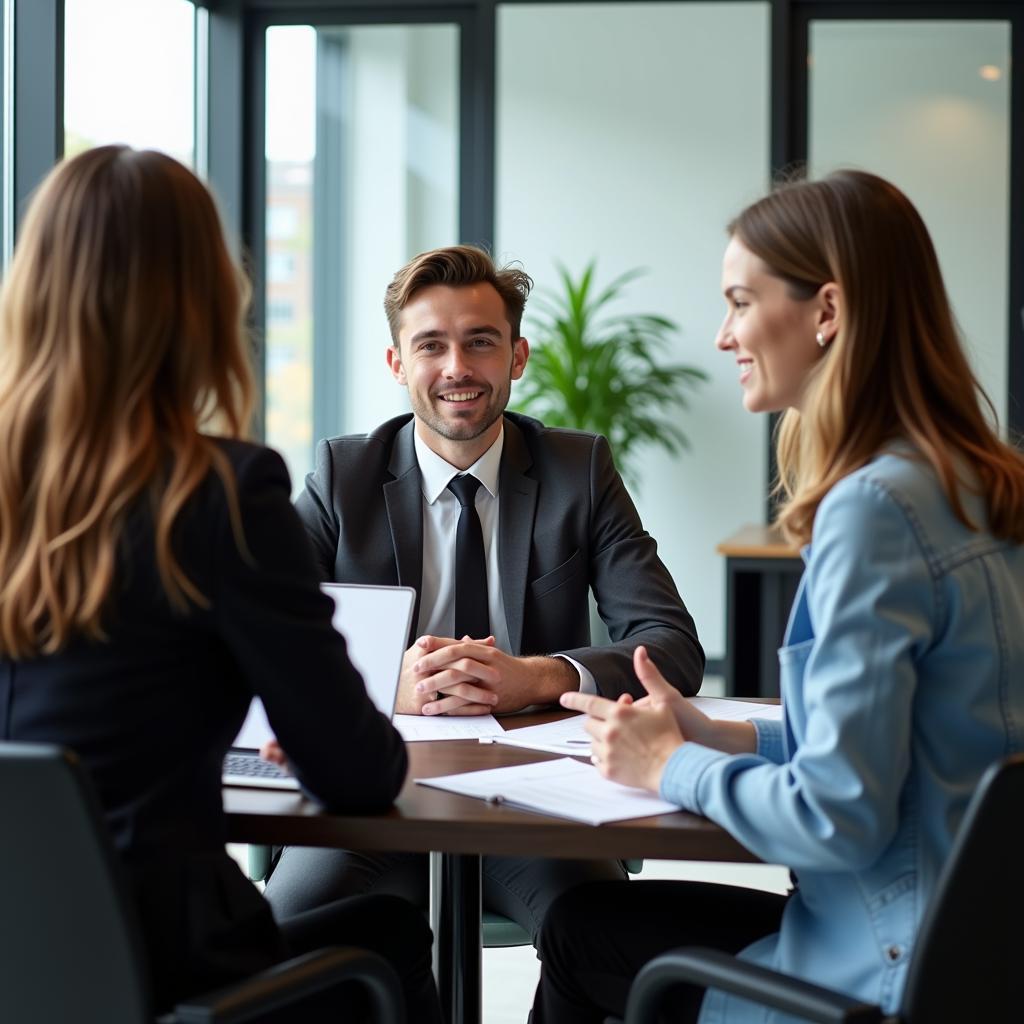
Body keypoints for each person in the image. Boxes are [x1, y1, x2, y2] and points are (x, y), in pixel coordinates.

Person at [530, 169, 1024, 1023]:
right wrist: (722, 731)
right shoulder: (978, 484)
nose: (723, 335)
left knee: (580, 934)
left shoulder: (874, 511)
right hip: (974, 951)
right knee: (587, 917)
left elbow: (839, 817)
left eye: (739, 301)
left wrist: (669, 766)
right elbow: (916, 735)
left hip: (874, 969)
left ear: (826, 312)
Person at [0, 146, 442, 1022]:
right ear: (200, 304)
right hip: (160, 971)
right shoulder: (219, 493)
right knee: (388, 934)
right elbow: (359, 771)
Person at [263, 244, 705, 940]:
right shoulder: (341, 475)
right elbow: (264, 649)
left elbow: (672, 648)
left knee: (606, 944)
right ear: (397, 363)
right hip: (376, 798)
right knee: (282, 941)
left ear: (517, 357)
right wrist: (385, 685)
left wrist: (535, 677)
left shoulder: (578, 470)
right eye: (430, 345)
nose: (457, 369)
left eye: (480, 343)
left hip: (538, 805)